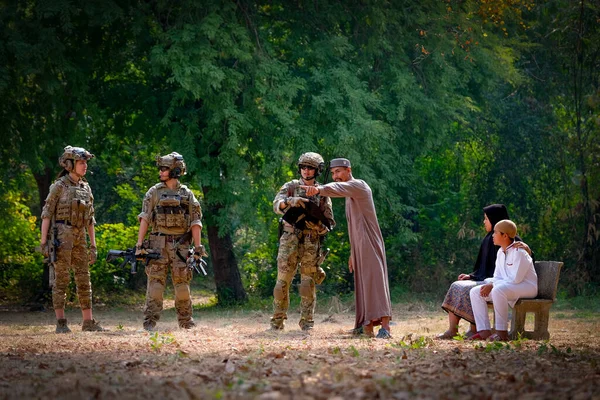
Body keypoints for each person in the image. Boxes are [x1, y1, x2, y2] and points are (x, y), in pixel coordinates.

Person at [302, 158, 392, 338]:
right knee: (362, 283)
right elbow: (354, 227)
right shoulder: (350, 195)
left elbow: (336, 189)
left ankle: (385, 328)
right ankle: (365, 326)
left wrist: (319, 189)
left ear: (348, 170)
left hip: (370, 243)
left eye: (338, 172)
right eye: (333, 173)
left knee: (375, 281)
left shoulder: (358, 185)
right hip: (359, 246)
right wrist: (353, 252)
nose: (335, 176)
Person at [436, 204, 531, 340]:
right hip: (492, 280)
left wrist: (492, 283)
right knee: (457, 285)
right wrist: (472, 276)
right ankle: (456, 330)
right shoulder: (490, 239)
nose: (484, 222)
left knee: (468, 289)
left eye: (486, 219)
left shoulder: (514, 242)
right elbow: (486, 268)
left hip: (504, 283)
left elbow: (523, 264)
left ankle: (475, 329)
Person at [40, 146, 106, 333]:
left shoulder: (86, 187)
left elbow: (90, 220)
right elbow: (46, 214)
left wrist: (93, 245)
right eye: (81, 162)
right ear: (70, 164)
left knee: (84, 279)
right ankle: (61, 322)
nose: (85, 166)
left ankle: (88, 322)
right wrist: (43, 242)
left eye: (85, 162)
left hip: (80, 237)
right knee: (61, 280)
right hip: (61, 237)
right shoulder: (59, 186)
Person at [135, 152, 204, 331]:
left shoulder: (187, 194)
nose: (160, 172)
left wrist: (198, 248)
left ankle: (186, 321)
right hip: (157, 245)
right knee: (155, 285)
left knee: (182, 286)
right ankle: (149, 321)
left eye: (164, 168)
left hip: (181, 246)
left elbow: (196, 222)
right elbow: (145, 218)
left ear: (175, 171)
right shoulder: (154, 192)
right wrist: (139, 244)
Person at [270, 152, 335, 332]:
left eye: (311, 168)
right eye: (304, 167)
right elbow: (276, 205)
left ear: (317, 171)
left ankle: (307, 322)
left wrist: (317, 225)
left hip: (311, 241)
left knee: (307, 283)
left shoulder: (322, 193)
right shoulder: (290, 186)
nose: (306, 171)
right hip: (289, 239)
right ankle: (277, 321)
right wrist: (291, 201)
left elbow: (329, 223)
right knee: (281, 282)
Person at [469, 219, 537, 341]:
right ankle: (484, 331)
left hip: (527, 287)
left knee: (498, 290)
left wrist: (493, 285)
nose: (492, 236)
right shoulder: (500, 252)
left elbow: (515, 279)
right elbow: (498, 276)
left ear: (505, 235)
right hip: (509, 287)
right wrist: (491, 283)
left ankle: (502, 333)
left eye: (495, 232)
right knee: (475, 292)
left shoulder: (519, 252)